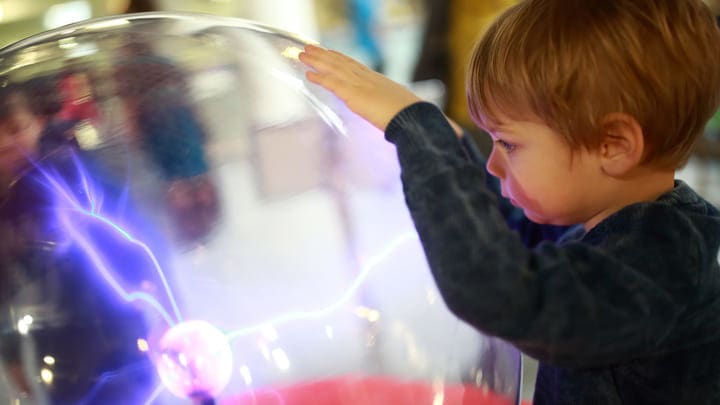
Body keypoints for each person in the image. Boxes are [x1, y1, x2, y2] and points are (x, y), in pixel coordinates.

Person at [299, 0, 720, 403]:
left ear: (613, 145)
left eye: (509, 144)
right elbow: (516, 238)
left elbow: (502, 294)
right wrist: (456, 148)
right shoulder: (617, 224)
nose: (495, 166)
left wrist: (421, 136)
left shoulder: (663, 259)